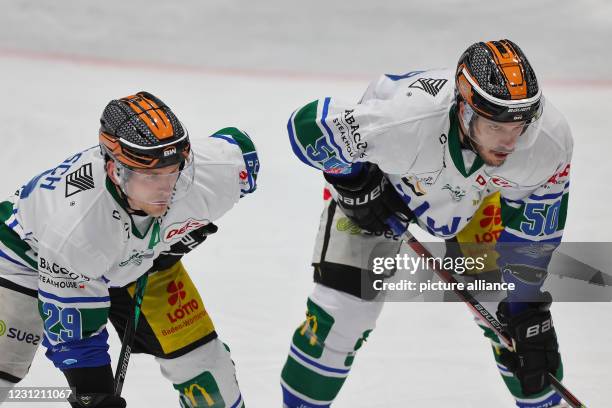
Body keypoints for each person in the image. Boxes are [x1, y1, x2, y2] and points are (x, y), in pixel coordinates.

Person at [281, 39, 572, 408]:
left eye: (520, 123)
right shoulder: (405, 122)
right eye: (497, 125)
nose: (511, 141)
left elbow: (534, 235)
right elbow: (307, 128)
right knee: (340, 317)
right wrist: (356, 181)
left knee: (519, 334)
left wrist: (524, 307)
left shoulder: (545, 143)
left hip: (475, 200)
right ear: (465, 111)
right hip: (386, 184)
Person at [0, 91, 259, 407]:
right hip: (24, 254)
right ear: (115, 171)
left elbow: (238, 146)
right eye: (151, 176)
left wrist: (177, 236)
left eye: (173, 170)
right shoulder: (77, 228)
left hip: (139, 261)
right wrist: (92, 393)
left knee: (206, 368)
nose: (166, 187)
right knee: (4, 369)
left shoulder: (214, 173)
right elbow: (75, 335)